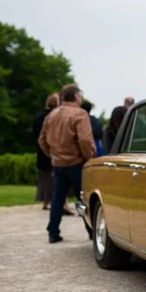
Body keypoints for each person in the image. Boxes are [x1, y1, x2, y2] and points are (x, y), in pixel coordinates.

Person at [38, 84, 97, 244]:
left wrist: (53, 155)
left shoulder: (51, 115)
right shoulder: (79, 114)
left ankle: (53, 232)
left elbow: (42, 140)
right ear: (77, 97)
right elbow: (85, 139)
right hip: (76, 162)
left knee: (58, 197)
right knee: (84, 198)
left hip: (58, 163)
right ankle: (92, 231)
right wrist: (88, 156)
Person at [33, 93, 72, 213]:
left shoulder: (39, 116)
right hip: (55, 150)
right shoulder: (55, 116)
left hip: (42, 150)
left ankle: (45, 201)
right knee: (59, 177)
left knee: (44, 178)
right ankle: (64, 204)